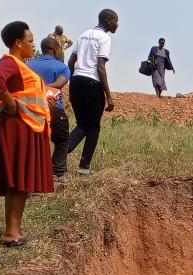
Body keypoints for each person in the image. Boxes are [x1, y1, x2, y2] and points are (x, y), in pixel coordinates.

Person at [0, 21, 55, 248]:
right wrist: (10, 103)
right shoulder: (9, 63)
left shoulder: (22, 66)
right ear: (18, 43)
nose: (33, 45)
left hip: (27, 126)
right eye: (30, 41)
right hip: (18, 128)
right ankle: (11, 233)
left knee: (21, 181)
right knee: (17, 180)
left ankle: (14, 230)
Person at [67, 9, 118, 176]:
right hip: (92, 83)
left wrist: (75, 78)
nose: (117, 24)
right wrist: (108, 96)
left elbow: (71, 61)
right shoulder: (105, 38)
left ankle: (59, 156)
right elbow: (100, 67)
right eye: (115, 21)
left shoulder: (83, 35)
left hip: (76, 81)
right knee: (93, 127)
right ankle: (84, 168)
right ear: (107, 20)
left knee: (82, 124)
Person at [28, 37, 72, 185]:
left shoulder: (28, 65)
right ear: (54, 50)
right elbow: (59, 84)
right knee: (62, 141)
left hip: (31, 109)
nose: (61, 52)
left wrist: (36, 89)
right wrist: (45, 89)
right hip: (54, 108)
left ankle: (34, 175)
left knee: (36, 143)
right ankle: (56, 174)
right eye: (60, 49)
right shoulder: (62, 67)